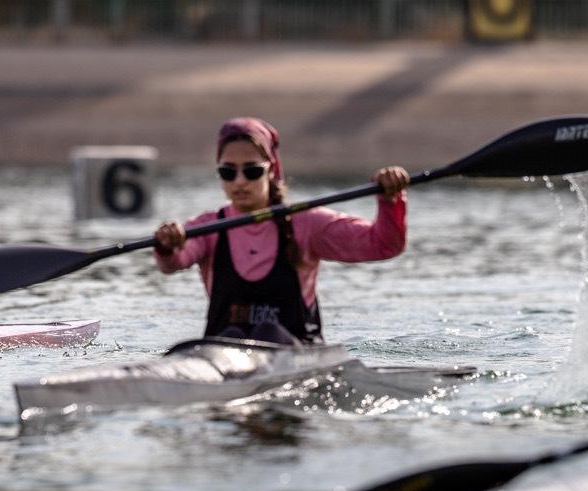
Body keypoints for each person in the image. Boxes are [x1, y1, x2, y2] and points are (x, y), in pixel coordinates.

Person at [153, 117, 409, 346]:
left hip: (295, 356)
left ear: (271, 169)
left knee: (268, 332)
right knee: (232, 336)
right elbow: (174, 262)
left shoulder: (307, 224)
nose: (240, 181)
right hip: (224, 355)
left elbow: (383, 244)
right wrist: (167, 244)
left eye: (251, 171)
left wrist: (390, 200)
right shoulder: (208, 227)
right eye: (228, 172)